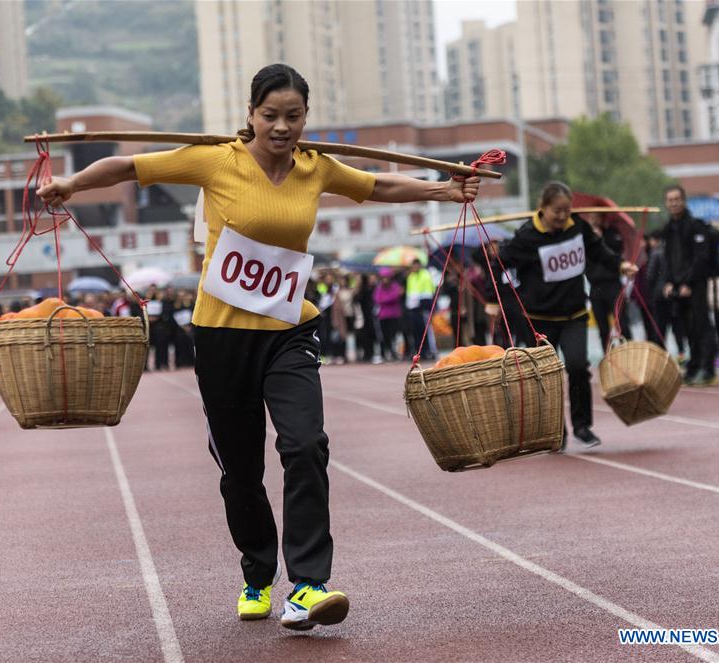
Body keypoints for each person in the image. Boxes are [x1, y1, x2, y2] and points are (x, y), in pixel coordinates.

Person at [37, 63, 480, 631]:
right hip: (223, 338)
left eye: (293, 117)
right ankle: (256, 573)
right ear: (250, 115)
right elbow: (128, 165)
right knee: (240, 471)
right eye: (270, 116)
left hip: (290, 332)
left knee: (305, 444)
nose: (281, 127)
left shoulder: (314, 168)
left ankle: (310, 584)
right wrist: (73, 184)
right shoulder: (216, 160)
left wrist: (444, 190)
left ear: (305, 119)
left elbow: (377, 187)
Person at [499, 182, 637, 449]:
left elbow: (598, 250)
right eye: (556, 212)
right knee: (547, 377)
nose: (562, 217)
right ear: (543, 208)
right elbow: (500, 262)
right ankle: (555, 432)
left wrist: (621, 265)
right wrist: (497, 300)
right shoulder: (527, 237)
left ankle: (582, 426)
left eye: (566, 210)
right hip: (539, 320)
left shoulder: (577, 226)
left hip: (574, 313)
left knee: (577, 367)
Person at [661, 185, 717, 386]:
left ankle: (708, 370)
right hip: (676, 286)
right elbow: (667, 259)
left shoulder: (696, 225)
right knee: (687, 329)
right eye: (670, 200)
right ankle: (693, 367)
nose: (674, 203)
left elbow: (701, 258)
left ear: (684, 201)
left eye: (677, 199)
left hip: (695, 285)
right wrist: (667, 281)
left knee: (702, 326)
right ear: (666, 203)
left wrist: (688, 282)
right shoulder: (667, 229)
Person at [585, 212, 632, 349]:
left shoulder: (612, 234)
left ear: (603, 218)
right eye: (591, 216)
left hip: (613, 285)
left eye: (596, 216)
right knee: (602, 328)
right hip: (595, 286)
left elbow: (616, 253)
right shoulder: (585, 236)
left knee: (622, 322)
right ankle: (607, 356)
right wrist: (592, 238)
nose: (593, 219)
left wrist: (600, 240)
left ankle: (629, 351)